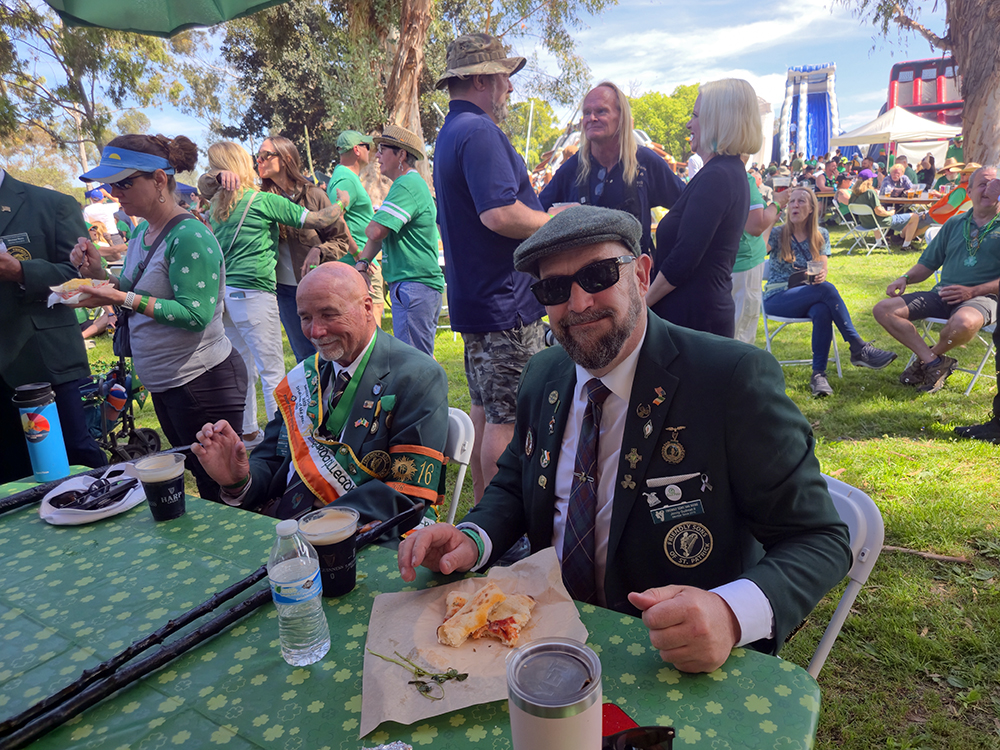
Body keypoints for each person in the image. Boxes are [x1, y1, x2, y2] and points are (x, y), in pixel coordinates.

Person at [397, 206, 852, 674]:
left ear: (641, 274)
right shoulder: (543, 374)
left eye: (598, 276)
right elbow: (517, 482)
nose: (578, 303)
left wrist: (730, 614)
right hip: (546, 635)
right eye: (555, 289)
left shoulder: (728, 380)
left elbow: (818, 537)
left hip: (671, 658)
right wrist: (473, 538)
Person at [191, 263, 449, 533]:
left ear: (367, 308)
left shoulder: (417, 376)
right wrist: (239, 480)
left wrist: (316, 526)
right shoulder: (304, 377)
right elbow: (274, 459)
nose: (315, 332)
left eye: (329, 314)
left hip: (360, 537)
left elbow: (406, 495)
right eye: (305, 317)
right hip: (286, 527)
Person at [70, 134, 246, 501]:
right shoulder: (142, 232)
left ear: (159, 180)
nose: (114, 192)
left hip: (202, 382)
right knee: (201, 476)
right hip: (169, 383)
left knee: (224, 485)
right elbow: (132, 288)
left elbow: (195, 314)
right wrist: (99, 273)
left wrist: (121, 297)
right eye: (111, 184)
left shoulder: (190, 235)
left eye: (124, 182)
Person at [433, 32, 550, 501]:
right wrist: (556, 221)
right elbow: (499, 214)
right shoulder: (479, 132)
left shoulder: (451, 132)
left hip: (479, 300)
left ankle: (485, 517)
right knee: (509, 420)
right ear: (481, 79)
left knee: (485, 411)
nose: (510, 86)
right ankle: (505, 523)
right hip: (505, 304)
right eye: (504, 76)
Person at [200, 141, 353, 446]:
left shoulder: (216, 208)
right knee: (272, 370)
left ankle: (249, 431)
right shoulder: (262, 200)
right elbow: (319, 220)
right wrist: (343, 203)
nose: (258, 160)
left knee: (244, 367)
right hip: (256, 294)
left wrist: (214, 179)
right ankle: (277, 441)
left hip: (227, 296)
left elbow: (204, 187)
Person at [0, 171, 108, 483]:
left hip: (43, 363)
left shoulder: (52, 204)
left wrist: (21, 271)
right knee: (9, 475)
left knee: (74, 462)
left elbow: (80, 279)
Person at [646, 78, 761, 338]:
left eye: (696, 116)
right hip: (696, 320)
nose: (689, 124)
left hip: (693, 326)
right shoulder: (726, 171)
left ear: (718, 121)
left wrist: (640, 307)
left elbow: (683, 260)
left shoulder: (718, 176)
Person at [873, 166, 1000, 394]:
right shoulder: (955, 223)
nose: (988, 190)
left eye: (994, 185)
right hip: (942, 294)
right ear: (969, 191)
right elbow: (928, 264)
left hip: (983, 298)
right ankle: (934, 362)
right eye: (983, 184)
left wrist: (972, 292)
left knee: (964, 323)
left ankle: (928, 359)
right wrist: (905, 278)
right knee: (884, 309)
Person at [763, 188, 897, 396]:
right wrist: (772, 217)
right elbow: (760, 249)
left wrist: (820, 275)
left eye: (801, 201)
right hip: (777, 297)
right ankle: (857, 346)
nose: (795, 205)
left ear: (811, 209)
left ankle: (819, 375)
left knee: (822, 309)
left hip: (808, 295)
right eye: (792, 202)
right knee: (825, 291)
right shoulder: (777, 233)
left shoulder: (821, 234)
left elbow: (822, 269)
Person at [539, 82, 684, 255]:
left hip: (635, 269)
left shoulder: (645, 162)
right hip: (585, 269)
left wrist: (668, 259)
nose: (592, 118)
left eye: (601, 111)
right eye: (587, 112)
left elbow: (690, 207)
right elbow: (536, 212)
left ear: (621, 117)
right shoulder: (573, 167)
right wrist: (553, 217)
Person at [258, 135, 357, 363]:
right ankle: (314, 389)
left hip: (316, 288)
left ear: (286, 158)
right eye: (257, 157)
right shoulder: (260, 199)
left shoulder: (314, 195)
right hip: (283, 291)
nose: (259, 161)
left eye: (265, 155)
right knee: (304, 357)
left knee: (332, 353)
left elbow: (340, 239)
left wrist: (320, 250)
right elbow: (209, 184)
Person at [355, 124, 444, 357]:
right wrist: (362, 263)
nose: (377, 156)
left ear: (401, 154)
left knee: (413, 362)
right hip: (415, 286)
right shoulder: (407, 184)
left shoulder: (407, 185)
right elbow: (381, 232)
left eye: (382, 149)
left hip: (413, 285)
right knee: (418, 359)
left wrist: (372, 223)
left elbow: (376, 231)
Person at [329, 130, 386, 321]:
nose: (371, 151)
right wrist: (358, 254)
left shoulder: (345, 176)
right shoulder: (346, 179)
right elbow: (335, 219)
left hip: (358, 262)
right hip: (358, 264)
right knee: (371, 320)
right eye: (367, 146)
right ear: (357, 150)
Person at [732, 155, 781, 344]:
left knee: (730, 330)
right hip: (744, 265)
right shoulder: (743, 178)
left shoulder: (710, 174)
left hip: (725, 264)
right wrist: (776, 204)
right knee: (741, 334)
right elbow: (755, 226)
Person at [850, 169, 924, 248]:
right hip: (880, 222)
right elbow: (879, 212)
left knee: (876, 215)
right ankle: (906, 245)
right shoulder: (870, 193)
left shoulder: (854, 194)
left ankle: (879, 243)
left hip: (865, 223)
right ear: (869, 180)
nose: (872, 180)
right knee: (915, 216)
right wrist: (890, 213)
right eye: (872, 179)